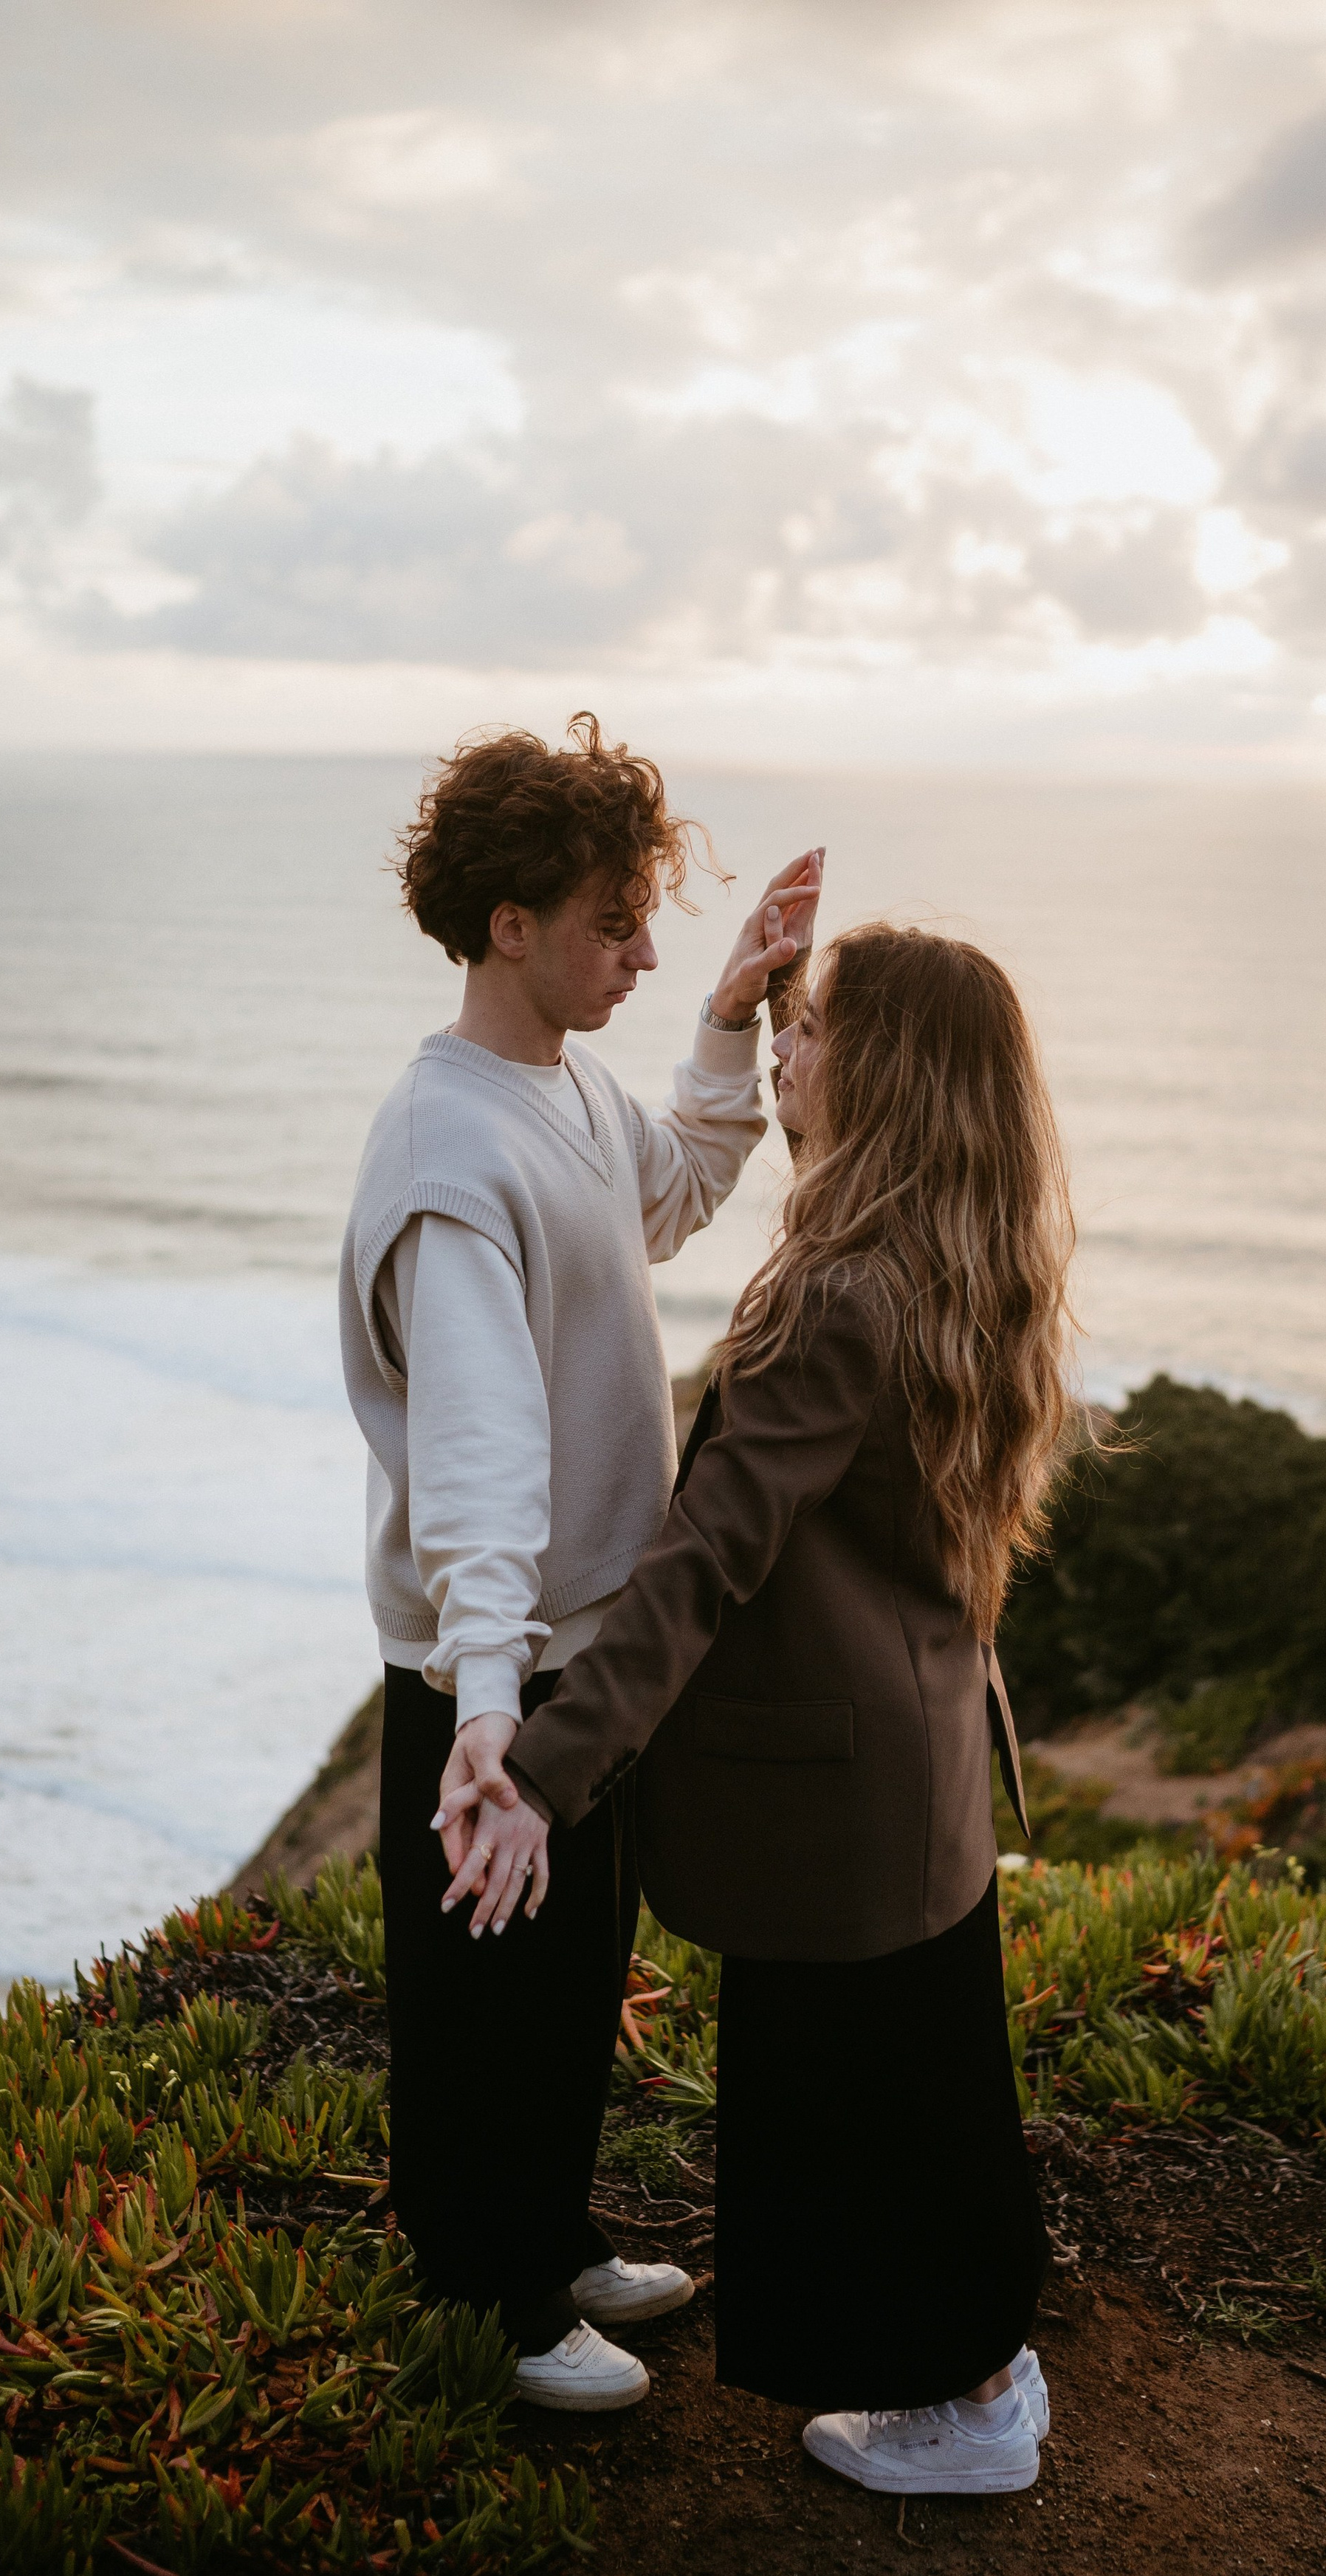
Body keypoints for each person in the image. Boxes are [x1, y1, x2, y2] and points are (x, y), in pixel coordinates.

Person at [440, 921, 1075, 2495]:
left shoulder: (839, 1296)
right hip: (919, 1773)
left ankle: (963, 2407)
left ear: (883, 1070)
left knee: (861, 2108)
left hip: (834, 1793)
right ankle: (986, 2366)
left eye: (808, 1030)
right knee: (934, 2083)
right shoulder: (960, 1255)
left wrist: (544, 1766)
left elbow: (703, 1557)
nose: (785, 1050)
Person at [339, 714, 820, 2411]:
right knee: (489, 1995)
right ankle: (493, 2295)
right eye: (614, 922)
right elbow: (473, 1452)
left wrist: (722, 1018)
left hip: (581, 1650)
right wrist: (488, 1703)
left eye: (645, 916)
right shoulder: (445, 1146)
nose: (639, 945)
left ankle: (541, 2229)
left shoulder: (558, 1085)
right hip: (503, 1665)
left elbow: (668, 1193)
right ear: (508, 926)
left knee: (565, 1971)